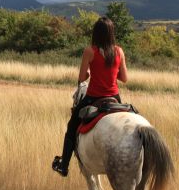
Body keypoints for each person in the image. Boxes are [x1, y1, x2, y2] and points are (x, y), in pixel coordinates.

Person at [52, 16, 128, 176]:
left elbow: (81, 78)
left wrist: (89, 73)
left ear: (96, 33)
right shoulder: (119, 51)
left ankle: (64, 166)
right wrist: (112, 73)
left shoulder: (89, 51)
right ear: (111, 33)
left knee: (72, 127)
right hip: (115, 97)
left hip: (93, 97)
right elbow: (124, 78)